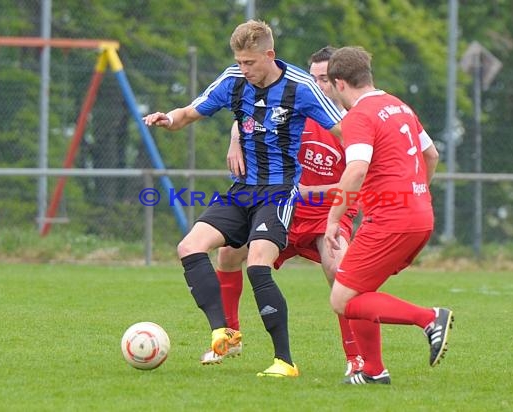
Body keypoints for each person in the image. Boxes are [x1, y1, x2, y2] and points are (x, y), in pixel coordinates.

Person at [143, 20, 343, 378]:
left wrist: (381, 155)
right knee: (189, 247)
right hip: (242, 191)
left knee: (257, 263)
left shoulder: (301, 87)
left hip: (279, 192)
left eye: (250, 62)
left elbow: (346, 128)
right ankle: (224, 332)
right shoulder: (233, 79)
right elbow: (189, 113)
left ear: (270, 55)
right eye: (240, 61)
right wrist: (167, 118)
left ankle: (285, 361)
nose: (244, 68)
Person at [200, 47, 364, 377]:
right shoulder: (293, 108)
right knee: (230, 253)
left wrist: (311, 193)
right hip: (279, 208)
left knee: (340, 271)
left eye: (325, 79)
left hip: (325, 216)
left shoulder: (349, 128)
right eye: (314, 77)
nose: (318, 84)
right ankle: (230, 336)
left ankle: (357, 358)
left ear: (338, 83)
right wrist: (235, 137)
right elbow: (248, 117)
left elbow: (355, 186)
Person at [323, 46, 452, 385]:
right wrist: (417, 191)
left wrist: (334, 218)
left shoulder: (358, 116)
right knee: (360, 291)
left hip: (391, 221)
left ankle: (429, 318)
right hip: (420, 215)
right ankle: (373, 371)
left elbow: (356, 169)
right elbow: (432, 154)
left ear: (339, 83)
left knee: (342, 299)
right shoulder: (399, 106)